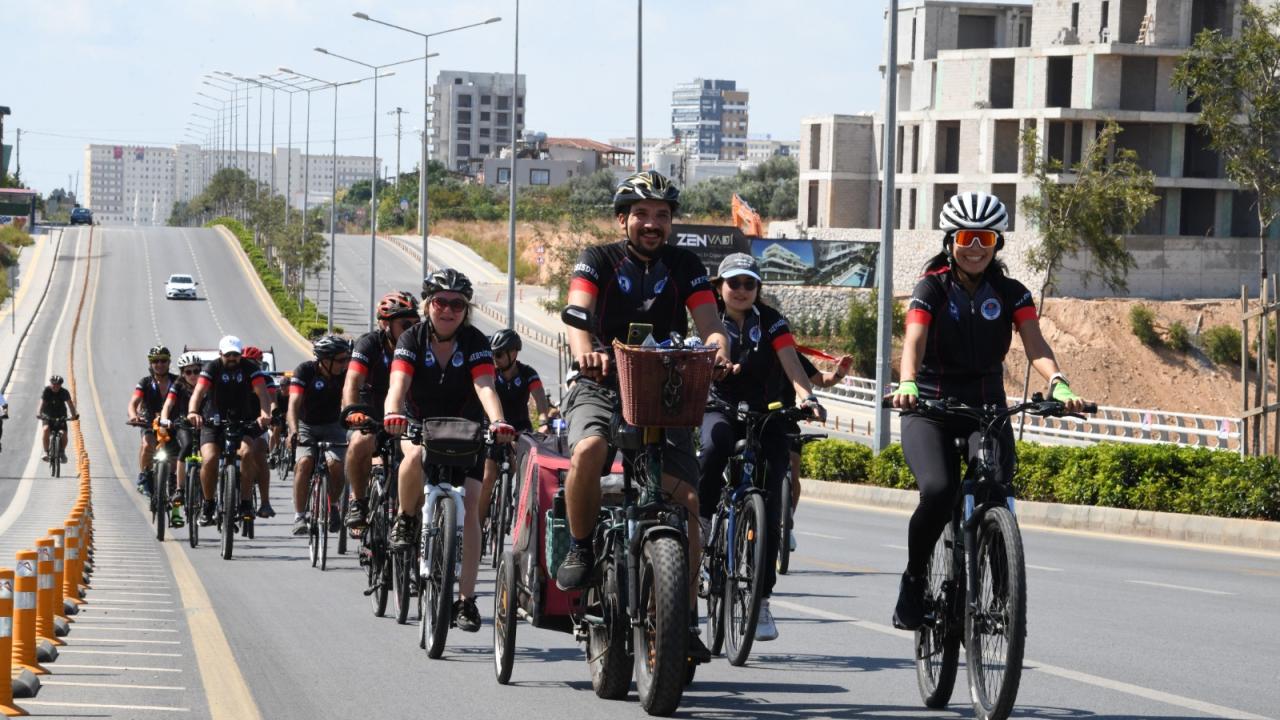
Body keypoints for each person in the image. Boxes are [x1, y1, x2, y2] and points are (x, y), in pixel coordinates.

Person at [554, 170, 732, 662]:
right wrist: (586, 351)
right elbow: (578, 314)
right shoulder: (598, 260)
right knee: (589, 449)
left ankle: (684, 618)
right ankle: (583, 547)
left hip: (664, 392)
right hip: (602, 384)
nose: (651, 224)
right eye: (641, 215)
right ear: (622, 220)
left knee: (690, 500)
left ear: (671, 222)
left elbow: (711, 324)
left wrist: (716, 349)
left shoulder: (686, 264)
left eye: (661, 215)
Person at [889, 192, 1087, 630]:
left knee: (996, 486)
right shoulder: (932, 287)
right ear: (950, 241)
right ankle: (914, 579)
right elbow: (914, 340)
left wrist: (1058, 381)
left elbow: (1035, 344)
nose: (975, 247)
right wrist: (906, 383)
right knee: (939, 491)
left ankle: (1001, 597)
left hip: (986, 406)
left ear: (997, 243)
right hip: (929, 405)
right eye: (966, 237)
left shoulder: (1011, 292)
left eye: (985, 238)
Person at [695, 253, 825, 642]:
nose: (741, 290)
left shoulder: (771, 321)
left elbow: (791, 359)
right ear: (720, 286)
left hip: (765, 413)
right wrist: (714, 367)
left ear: (758, 289)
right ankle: (702, 522)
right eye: (733, 283)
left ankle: (762, 600)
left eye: (749, 284)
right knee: (714, 446)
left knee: (768, 510)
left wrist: (806, 395)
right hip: (718, 407)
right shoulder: (706, 319)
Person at [382, 269, 515, 633]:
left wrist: (499, 422)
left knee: (471, 506)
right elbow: (399, 383)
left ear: (465, 310)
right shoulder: (412, 337)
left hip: (463, 427)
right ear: (428, 305)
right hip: (417, 421)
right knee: (411, 457)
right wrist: (392, 413)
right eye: (440, 302)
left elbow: (485, 386)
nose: (448, 310)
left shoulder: (475, 341)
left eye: (458, 304)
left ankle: (465, 601)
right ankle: (407, 520)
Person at [342, 291, 420, 532]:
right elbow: (351, 382)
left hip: (405, 412)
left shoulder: (420, 343)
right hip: (371, 409)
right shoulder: (369, 344)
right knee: (359, 442)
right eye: (405, 324)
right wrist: (352, 413)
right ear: (386, 325)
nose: (412, 329)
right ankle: (358, 500)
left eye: (416, 323)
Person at [476, 328, 557, 536]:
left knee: (518, 469)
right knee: (487, 476)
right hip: (492, 426)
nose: (495, 359)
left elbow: (539, 399)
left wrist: (543, 422)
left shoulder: (528, 373)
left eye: (500, 354)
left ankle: (515, 505)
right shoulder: (490, 373)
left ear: (513, 354)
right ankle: (475, 527)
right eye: (493, 354)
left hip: (519, 428)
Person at [186, 335, 272, 527]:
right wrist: (193, 412)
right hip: (213, 420)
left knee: (247, 452)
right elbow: (198, 393)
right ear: (220, 354)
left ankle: (245, 502)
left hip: (243, 420)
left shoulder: (251, 369)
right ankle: (208, 504)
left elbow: (263, 394)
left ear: (240, 354)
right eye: (228, 355)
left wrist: (265, 413)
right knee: (209, 459)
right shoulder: (212, 368)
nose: (232, 358)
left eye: (235, 354)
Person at [778, 350, 852, 550]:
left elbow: (820, 379)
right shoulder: (754, 350)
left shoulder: (792, 355)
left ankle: (787, 522)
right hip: (759, 416)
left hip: (787, 419)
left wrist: (838, 374)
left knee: (793, 473)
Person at [288, 335, 353, 536]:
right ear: (326, 359)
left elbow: (348, 400)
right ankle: (299, 516)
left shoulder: (345, 373)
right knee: (305, 463)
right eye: (341, 360)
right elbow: (293, 404)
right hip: (306, 425)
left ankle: (332, 504)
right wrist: (294, 431)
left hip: (334, 424)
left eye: (346, 359)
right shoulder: (305, 371)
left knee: (336, 465)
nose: (345, 363)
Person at [160, 352, 204, 528]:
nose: (193, 375)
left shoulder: (206, 384)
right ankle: (180, 489)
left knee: (209, 455)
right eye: (188, 372)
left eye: (196, 371)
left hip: (205, 426)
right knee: (185, 448)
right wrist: (164, 419)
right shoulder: (177, 386)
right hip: (182, 425)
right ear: (182, 373)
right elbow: (168, 405)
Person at [127, 345, 176, 495]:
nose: (159, 364)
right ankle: (144, 476)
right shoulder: (145, 382)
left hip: (171, 422)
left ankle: (173, 478)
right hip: (149, 421)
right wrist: (133, 416)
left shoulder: (177, 381)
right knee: (147, 444)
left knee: (176, 455)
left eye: (163, 361)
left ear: (169, 362)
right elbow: (133, 402)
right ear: (150, 363)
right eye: (156, 361)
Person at [243, 346, 276, 518]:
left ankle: (265, 502)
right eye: (247, 362)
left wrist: (270, 416)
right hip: (237, 423)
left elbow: (272, 402)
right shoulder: (237, 376)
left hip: (258, 423)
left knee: (258, 453)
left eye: (254, 363)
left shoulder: (266, 379)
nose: (250, 366)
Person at [39, 375, 78, 462]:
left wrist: (74, 415)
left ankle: (62, 452)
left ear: (61, 385)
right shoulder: (46, 391)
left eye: (58, 385)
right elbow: (41, 404)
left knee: (63, 433)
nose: (55, 387)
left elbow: (70, 404)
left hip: (60, 414)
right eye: (54, 385)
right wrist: (39, 413)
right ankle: (45, 451)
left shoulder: (64, 392)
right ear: (51, 384)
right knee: (46, 429)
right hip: (48, 415)